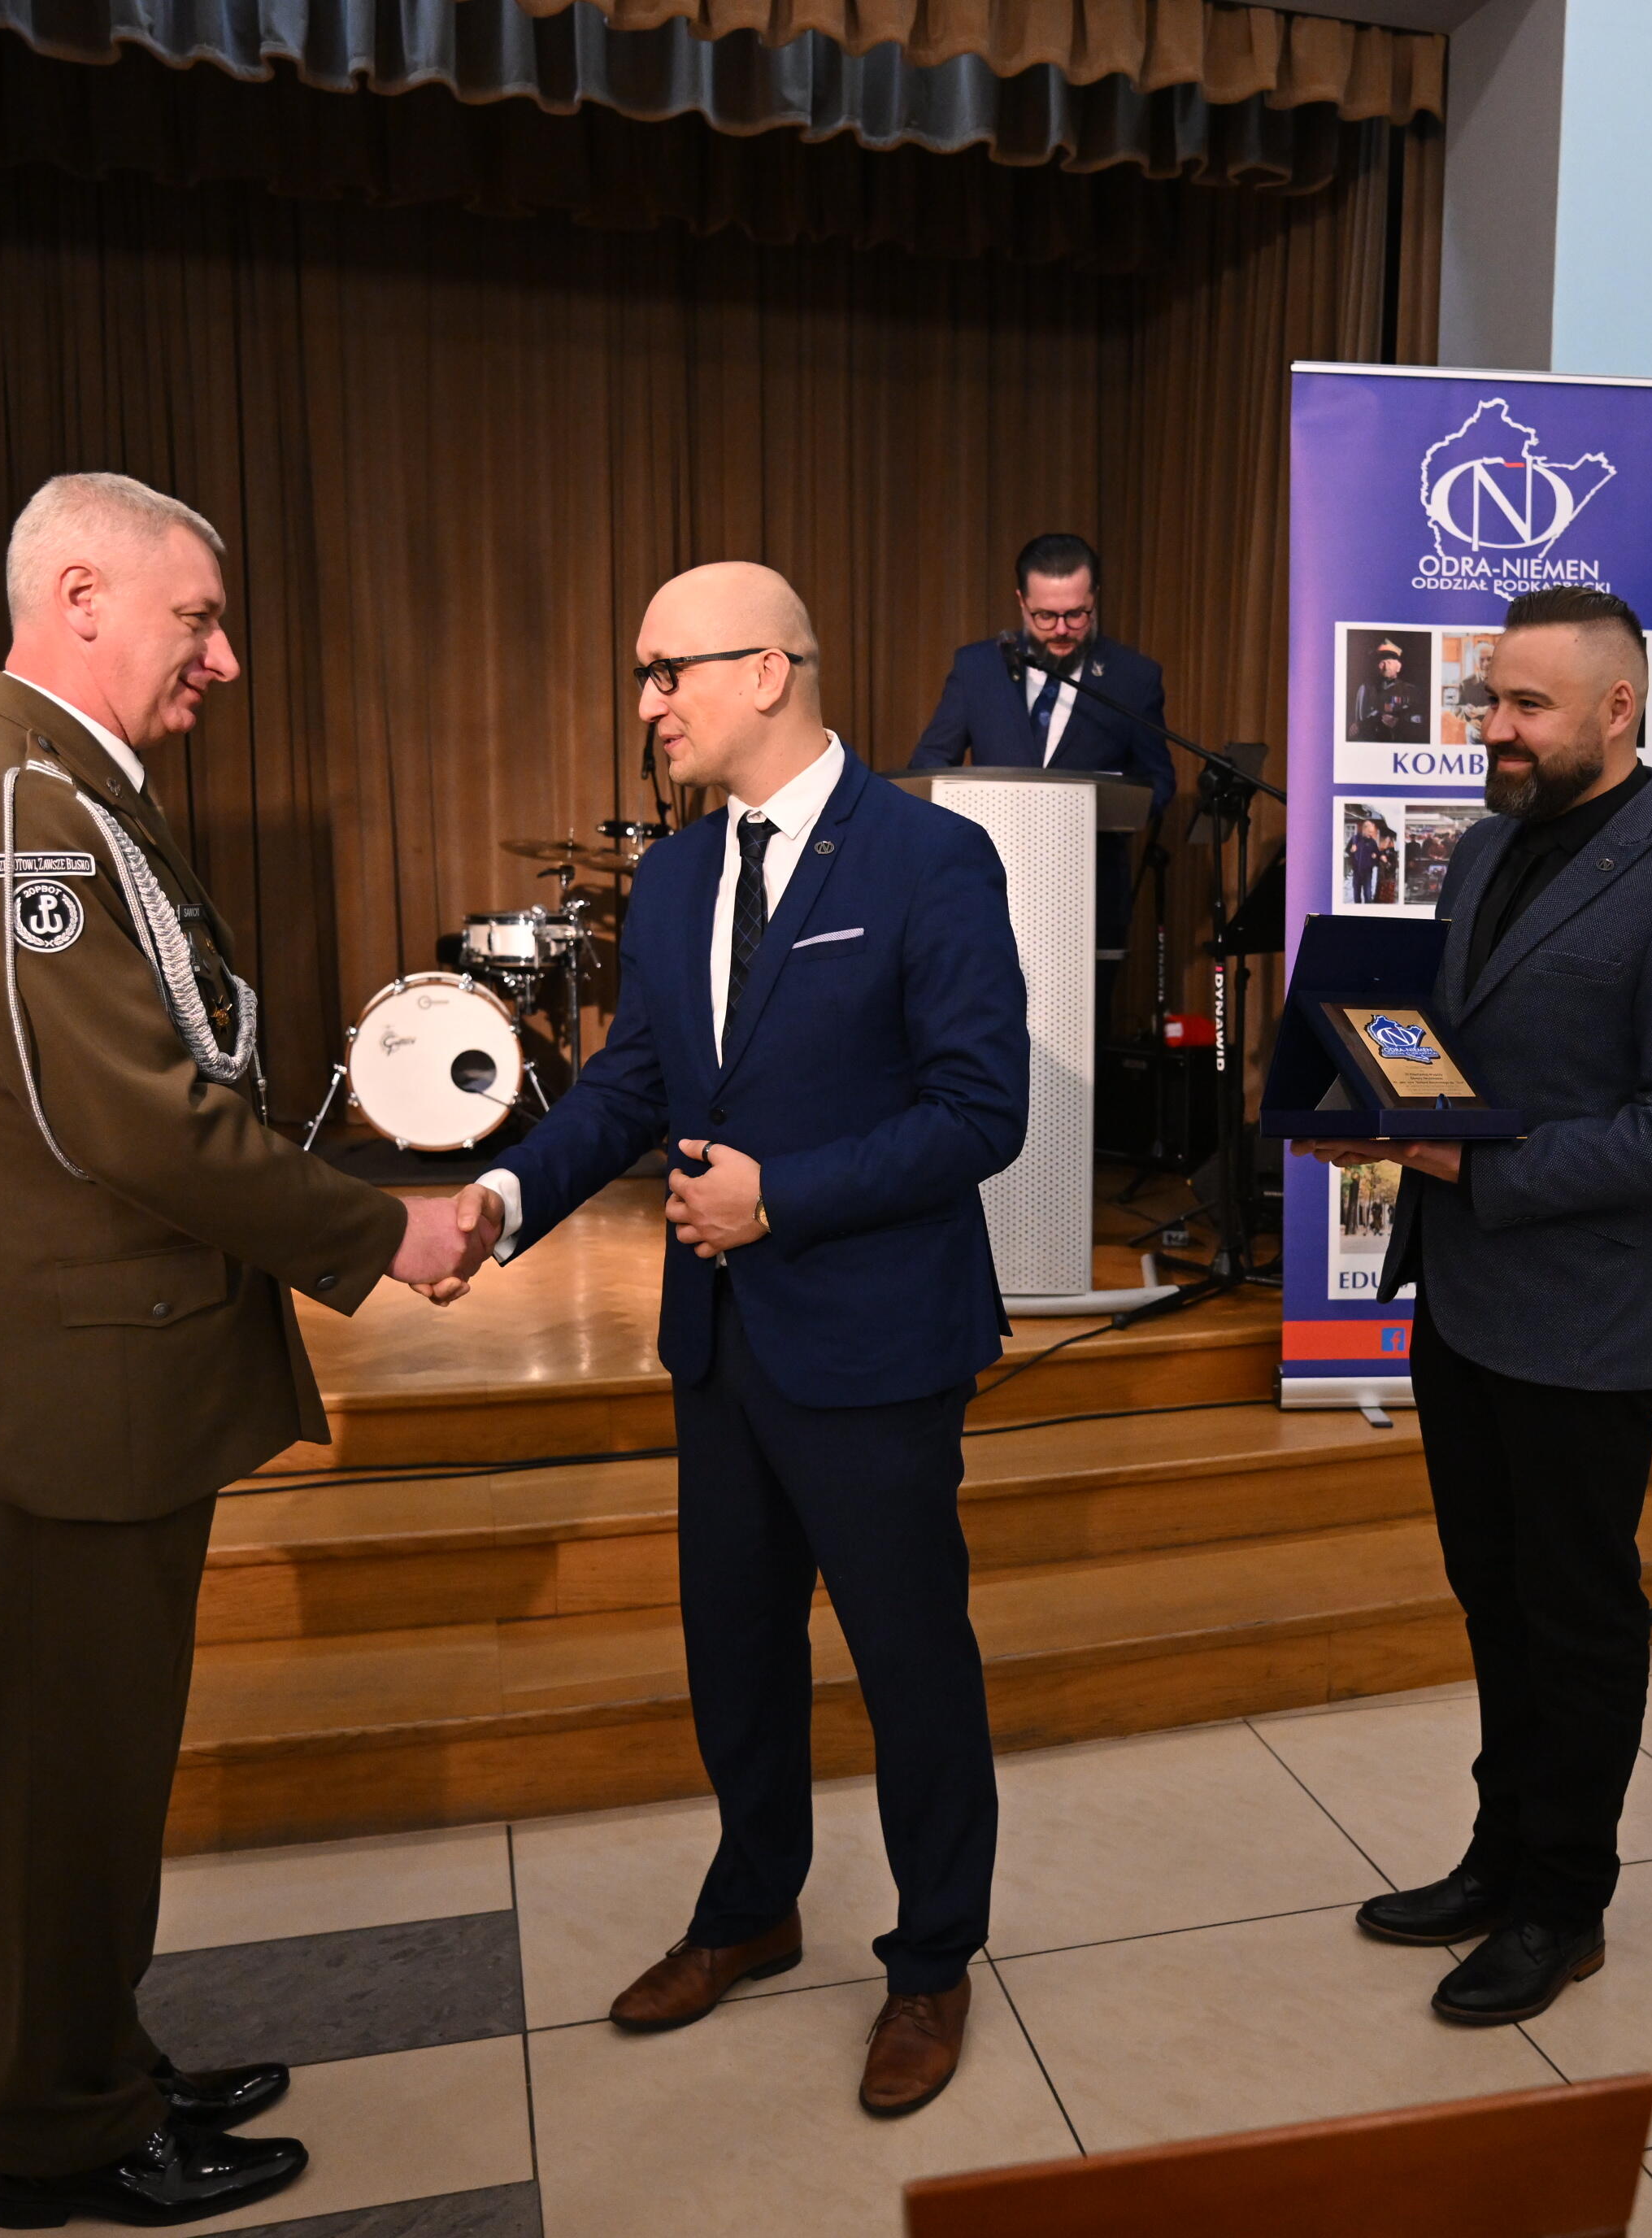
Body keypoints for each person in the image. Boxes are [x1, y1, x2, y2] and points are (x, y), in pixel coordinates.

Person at [0, 472, 488, 2228]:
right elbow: (133, 1119)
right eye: (197, 617)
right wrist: (378, 1227)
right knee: (72, 1781)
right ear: (80, 596)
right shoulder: (17, 816)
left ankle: (101, 2054)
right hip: (75, 1391)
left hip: (99, 1380)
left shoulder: (55, 792)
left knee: (99, 1762)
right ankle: (67, 2128)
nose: (223, 658)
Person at [443, 562, 1030, 2116]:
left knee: (910, 1664)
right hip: (718, 1341)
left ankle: (931, 1958)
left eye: (668, 671)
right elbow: (631, 1085)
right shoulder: (682, 877)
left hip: (875, 1340)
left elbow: (981, 1111)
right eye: (644, 675)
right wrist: (501, 1199)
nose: (647, 704)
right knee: (736, 1654)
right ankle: (753, 1906)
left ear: (769, 669)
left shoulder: (929, 857)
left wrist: (783, 1199)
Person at [1298, 585, 1652, 2025]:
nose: (1492, 729)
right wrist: (1363, 1105)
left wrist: (1475, 1161)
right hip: (1458, 1296)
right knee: (1491, 1600)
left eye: (1524, 706)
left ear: (1617, 711)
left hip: (1584, 1321)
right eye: (1487, 700)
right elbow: (1455, 1052)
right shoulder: (1488, 845)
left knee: (1573, 1623)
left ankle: (1564, 1903)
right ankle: (1498, 1857)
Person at [908, 532, 1170, 1024]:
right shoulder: (978, 668)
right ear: (1021, 602)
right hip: (990, 890)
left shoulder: (1132, 678)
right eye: (1045, 616)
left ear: (1094, 599)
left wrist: (1106, 805)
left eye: (1077, 614)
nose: (1062, 629)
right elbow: (929, 764)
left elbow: (1158, 782)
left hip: (1090, 895)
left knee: (1084, 1036)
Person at [1350, 636, 1425, 742]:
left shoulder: (1410, 691)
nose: (1385, 667)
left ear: (1398, 667)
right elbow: (1359, 720)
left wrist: (1399, 723)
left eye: (1389, 663)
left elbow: (1421, 721)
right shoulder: (1366, 689)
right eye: (1382, 663)